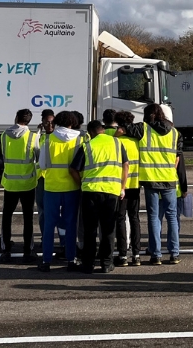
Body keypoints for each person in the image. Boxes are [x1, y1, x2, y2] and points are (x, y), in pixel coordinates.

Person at [117, 104, 182, 266]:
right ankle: (174, 253)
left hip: (150, 179)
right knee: (172, 217)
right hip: (169, 178)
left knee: (154, 217)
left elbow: (125, 128)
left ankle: (156, 255)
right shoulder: (175, 133)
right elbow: (177, 156)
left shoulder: (143, 129)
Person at [70, 120, 129, 274]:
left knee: (90, 230)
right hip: (111, 192)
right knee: (108, 229)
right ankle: (106, 263)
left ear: (90, 132)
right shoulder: (117, 143)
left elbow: (73, 169)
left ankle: (88, 265)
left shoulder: (87, 145)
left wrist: (81, 184)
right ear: (102, 130)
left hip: (90, 192)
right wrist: (122, 187)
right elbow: (126, 165)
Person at [38, 111, 85, 272]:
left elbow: (43, 165)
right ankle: (71, 259)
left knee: (49, 225)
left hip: (51, 187)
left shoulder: (49, 139)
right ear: (72, 122)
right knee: (71, 224)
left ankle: (46, 261)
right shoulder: (80, 139)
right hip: (72, 187)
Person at [0, 109, 40, 262]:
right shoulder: (33, 137)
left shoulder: (4, 136)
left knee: (6, 217)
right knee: (28, 218)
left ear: (16, 117)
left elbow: (4, 154)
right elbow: (38, 158)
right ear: (29, 121)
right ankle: (27, 251)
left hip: (10, 182)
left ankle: (6, 251)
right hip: (28, 183)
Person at [113, 111, 143, 266]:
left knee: (120, 219)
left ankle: (123, 254)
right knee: (135, 218)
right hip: (135, 184)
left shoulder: (117, 141)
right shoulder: (137, 141)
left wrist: (115, 136)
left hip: (121, 185)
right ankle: (136, 255)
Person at [36, 109, 55, 239]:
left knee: (57, 211)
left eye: (52, 123)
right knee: (42, 210)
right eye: (47, 122)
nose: (50, 125)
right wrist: (38, 132)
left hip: (55, 178)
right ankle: (45, 236)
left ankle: (62, 240)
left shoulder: (58, 138)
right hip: (41, 178)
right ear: (42, 122)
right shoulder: (38, 137)